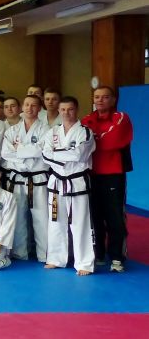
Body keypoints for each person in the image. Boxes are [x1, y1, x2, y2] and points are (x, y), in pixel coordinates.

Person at [82, 86, 133, 273]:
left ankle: (117, 257)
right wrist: (92, 141)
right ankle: (99, 254)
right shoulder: (87, 120)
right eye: (97, 97)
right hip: (91, 174)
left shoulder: (121, 117)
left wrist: (94, 140)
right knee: (95, 216)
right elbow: (82, 143)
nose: (100, 100)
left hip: (113, 175)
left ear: (113, 100)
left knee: (115, 218)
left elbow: (112, 141)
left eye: (105, 97)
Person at [43, 96, 96, 276]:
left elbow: (79, 155)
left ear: (77, 110)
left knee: (80, 223)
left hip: (77, 182)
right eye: (63, 109)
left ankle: (84, 263)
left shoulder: (85, 132)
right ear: (59, 111)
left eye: (70, 109)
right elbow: (45, 155)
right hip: (56, 182)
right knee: (55, 221)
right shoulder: (52, 132)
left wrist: (56, 154)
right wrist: (65, 154)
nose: (66, 113)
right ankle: (55, 258)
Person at [1, 95, 50, 262]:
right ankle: (20, 252)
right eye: (27, 104)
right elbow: (5, 153)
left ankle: (44, 254)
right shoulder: (12, 130)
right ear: (22, 107)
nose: (29, 108)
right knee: (18, 217)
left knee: (41, 217)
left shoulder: (46, 130)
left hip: (38, 179)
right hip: (17, 179)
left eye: (34, 105)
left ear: (39, 108)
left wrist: (18, 150)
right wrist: (28, 154)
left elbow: (42, 152)